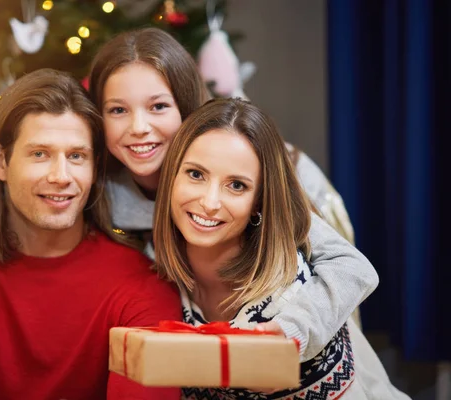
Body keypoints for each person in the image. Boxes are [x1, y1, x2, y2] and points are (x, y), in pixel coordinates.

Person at [0, 28, 376, 393]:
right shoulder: (96, 178)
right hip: (209, 345)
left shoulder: (259, 165)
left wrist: (292, 332)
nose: (139, 129)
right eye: (116, 111)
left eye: (158, 107)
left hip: (313, 343)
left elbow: (347, 269)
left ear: (188, 108)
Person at [0, 69, 182, 399]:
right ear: (1, 162)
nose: (61, 176)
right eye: (39, 154)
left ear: (94, 168)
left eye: (76, 156)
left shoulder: (144, 285)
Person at [154, 97, 409, 399]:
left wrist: (292, 333)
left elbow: (355, 268)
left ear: (260, 201)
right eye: (196, 174)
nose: (210, 203)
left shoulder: (289, 278)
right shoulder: (160, 281)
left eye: (237, 185)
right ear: (171, 176)